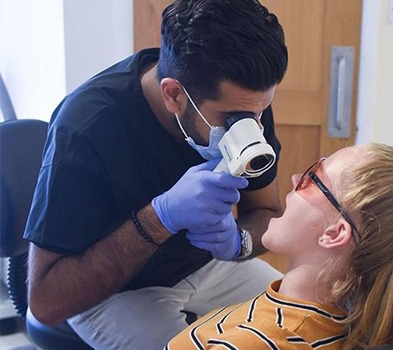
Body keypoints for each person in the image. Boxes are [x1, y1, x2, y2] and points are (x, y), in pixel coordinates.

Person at [24, 0, 288, 348]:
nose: (252, 127)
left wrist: (240, 241)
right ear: (174, 95)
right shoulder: (86, 129)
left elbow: (267, 212)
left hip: (206, 266)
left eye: (261, 111)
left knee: (304, 325)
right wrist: (158, 218)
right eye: (233, 119)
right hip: (113, 292)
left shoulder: (244, 104)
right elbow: (45, 303)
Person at [166, 143, 393, 350]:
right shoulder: (329, 323)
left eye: (312, 179)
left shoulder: (256, 343)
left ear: (334, 232)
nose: (295, 177)